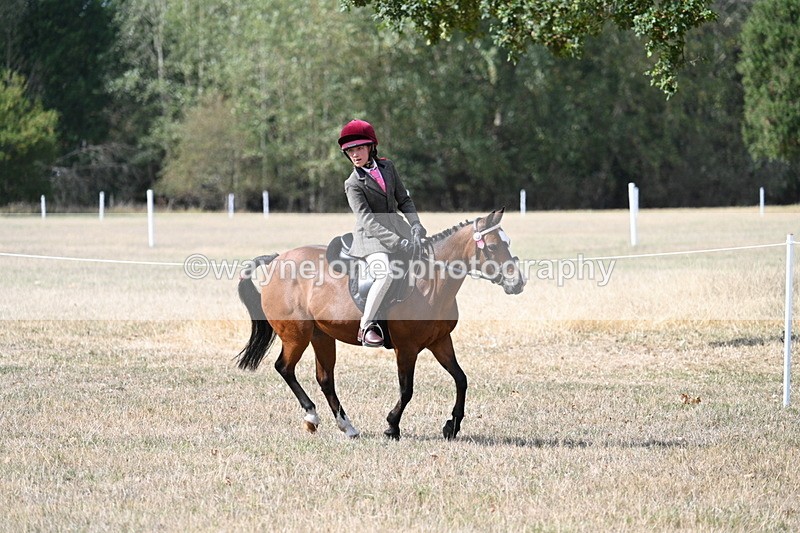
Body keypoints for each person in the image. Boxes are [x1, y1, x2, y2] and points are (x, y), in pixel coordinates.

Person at [338, 119, 426, 347]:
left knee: (427, 259)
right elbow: (367, 221)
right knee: (385, 273)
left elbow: (404, 200)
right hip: (371, 239)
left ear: (370, 148)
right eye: (349, 151)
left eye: (358, 149)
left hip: (398, 229)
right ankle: (366, 325)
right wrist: (398, 243)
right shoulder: (353, 183)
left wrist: (415, 224)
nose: (354, 155)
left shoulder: (388, 167)